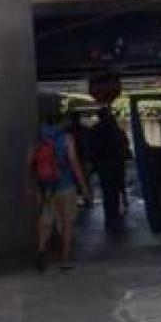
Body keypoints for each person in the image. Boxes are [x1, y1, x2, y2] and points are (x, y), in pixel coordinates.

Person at [30, 99, 92, 270]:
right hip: (65, 186)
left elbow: (30, 162)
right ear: (60, 121)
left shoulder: (39, 139)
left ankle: (41, 250)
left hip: (45, 186)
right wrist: (85, 188)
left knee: (45, 221)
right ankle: (65, 258)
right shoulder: (66, 138)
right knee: (66, 223)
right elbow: (74, 163)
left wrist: (32, 185)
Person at [88, 103, 131, 232]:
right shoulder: (116, 129)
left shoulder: (95, 130)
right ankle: (116, 212)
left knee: (107, 191)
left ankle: (110, 215)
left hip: (104, 164)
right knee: (116, 188)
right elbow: (125, 144)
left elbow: (92, 148)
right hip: (116, 163)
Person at [67, 111, 94, 209]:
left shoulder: (68, 130)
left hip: (74, 158)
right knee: (85, 179)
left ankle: (79, 200)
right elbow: (90, 144)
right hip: (84, 157)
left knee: (75, 180)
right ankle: (88, 199)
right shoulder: (85, 130)